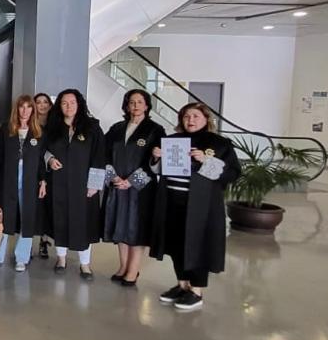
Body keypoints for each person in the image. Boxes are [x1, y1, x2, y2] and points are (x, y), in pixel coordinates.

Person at [150, 103, 240, 311]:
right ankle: (182, 285)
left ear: (206, 119)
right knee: (175, 244)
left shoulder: (219, 143)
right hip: (172, 200)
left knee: (197, 246)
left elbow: (232, 173)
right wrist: (156, 157)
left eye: (196, 116)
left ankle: (196, 290)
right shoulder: (172, 141)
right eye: (186, 116)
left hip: (200, 206)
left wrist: (206, 161)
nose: (190, 120)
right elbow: (157, 169)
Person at [103, 89, 165, 286]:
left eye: (140, 102)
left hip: (140, 190)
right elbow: (103, 154)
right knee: (119, 226)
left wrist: (131, 181)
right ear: (127, 105)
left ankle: (133, 270)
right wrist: (113, 177)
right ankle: (123, 266)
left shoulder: (155, 130)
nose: (136, 105)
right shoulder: (116, 128)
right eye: (132, 102)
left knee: (136, 229)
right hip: (116, 187)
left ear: (147, 105)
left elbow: (154, 161)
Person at [44, 89, 105, 280]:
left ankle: (84, 264)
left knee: (83, 224)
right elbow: (42, 150)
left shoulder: (92, 128)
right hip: (58, 183)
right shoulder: (52, 127)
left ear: (79, 104)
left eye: (72, 102)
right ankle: (61, 259)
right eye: (64, 103)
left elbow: (99, 156)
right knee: (60, 220)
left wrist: (94, 184)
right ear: (59, 106)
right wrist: (50, 159)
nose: (68, 106)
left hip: (83, 186)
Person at [0, 95, 47, 272]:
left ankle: (22, 257)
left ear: (33, 110)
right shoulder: (6, 129)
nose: (25, 111)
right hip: (8, 178)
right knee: (4, 218)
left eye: (29, 107)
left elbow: (41, 159)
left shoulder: (38, 131)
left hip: (30, 180)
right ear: (17, 109)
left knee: (27, 219)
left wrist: (43, 181)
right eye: (22, 107)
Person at [33, 92, 55, 259]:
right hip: (34, 171)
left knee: (48, 206)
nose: (42, 105)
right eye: (38, 102)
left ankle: (44, 241)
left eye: (45, 102)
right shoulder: (30, 124)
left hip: (53, 173)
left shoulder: (56, 125)